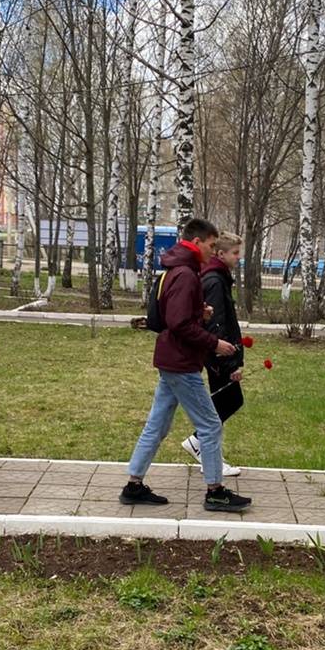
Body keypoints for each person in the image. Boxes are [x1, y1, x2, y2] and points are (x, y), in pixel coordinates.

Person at [121, 217, 251, 512]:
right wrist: (214, 343)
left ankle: (133, 485)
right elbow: (178, 324)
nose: (214, 251)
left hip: (172, 359)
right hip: (181, 362)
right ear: (196, 242)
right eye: (211, 245)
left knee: (157, 425)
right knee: (210, 425)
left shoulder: (176, 269)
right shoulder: (186, 274)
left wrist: (198, 314)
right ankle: (215, 491)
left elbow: (173, 316)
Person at [180, 231, 244, 478]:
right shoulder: (215, 280)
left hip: (218, 353)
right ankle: (202, 449)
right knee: (228, 402)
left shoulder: (218, 277)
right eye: (235, 253)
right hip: (219, 354)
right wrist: (229, 362)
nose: (238, 257)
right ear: (220, 253)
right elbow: (217, 323)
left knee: (223, 402)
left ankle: (206, 453)